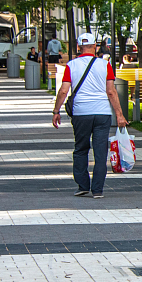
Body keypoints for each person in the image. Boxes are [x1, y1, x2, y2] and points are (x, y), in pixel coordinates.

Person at [52, 33, 128, 197]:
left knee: (81, 148)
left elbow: (64, 91)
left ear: (79, 47)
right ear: (95, 46)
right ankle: (98, 189)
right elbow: (111, 92)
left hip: (81, 113)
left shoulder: (71, 65)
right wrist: (119, 115)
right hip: (102, 113)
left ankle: (83, 185)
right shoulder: (105, 65)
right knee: (100, 152)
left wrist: (56, 111)